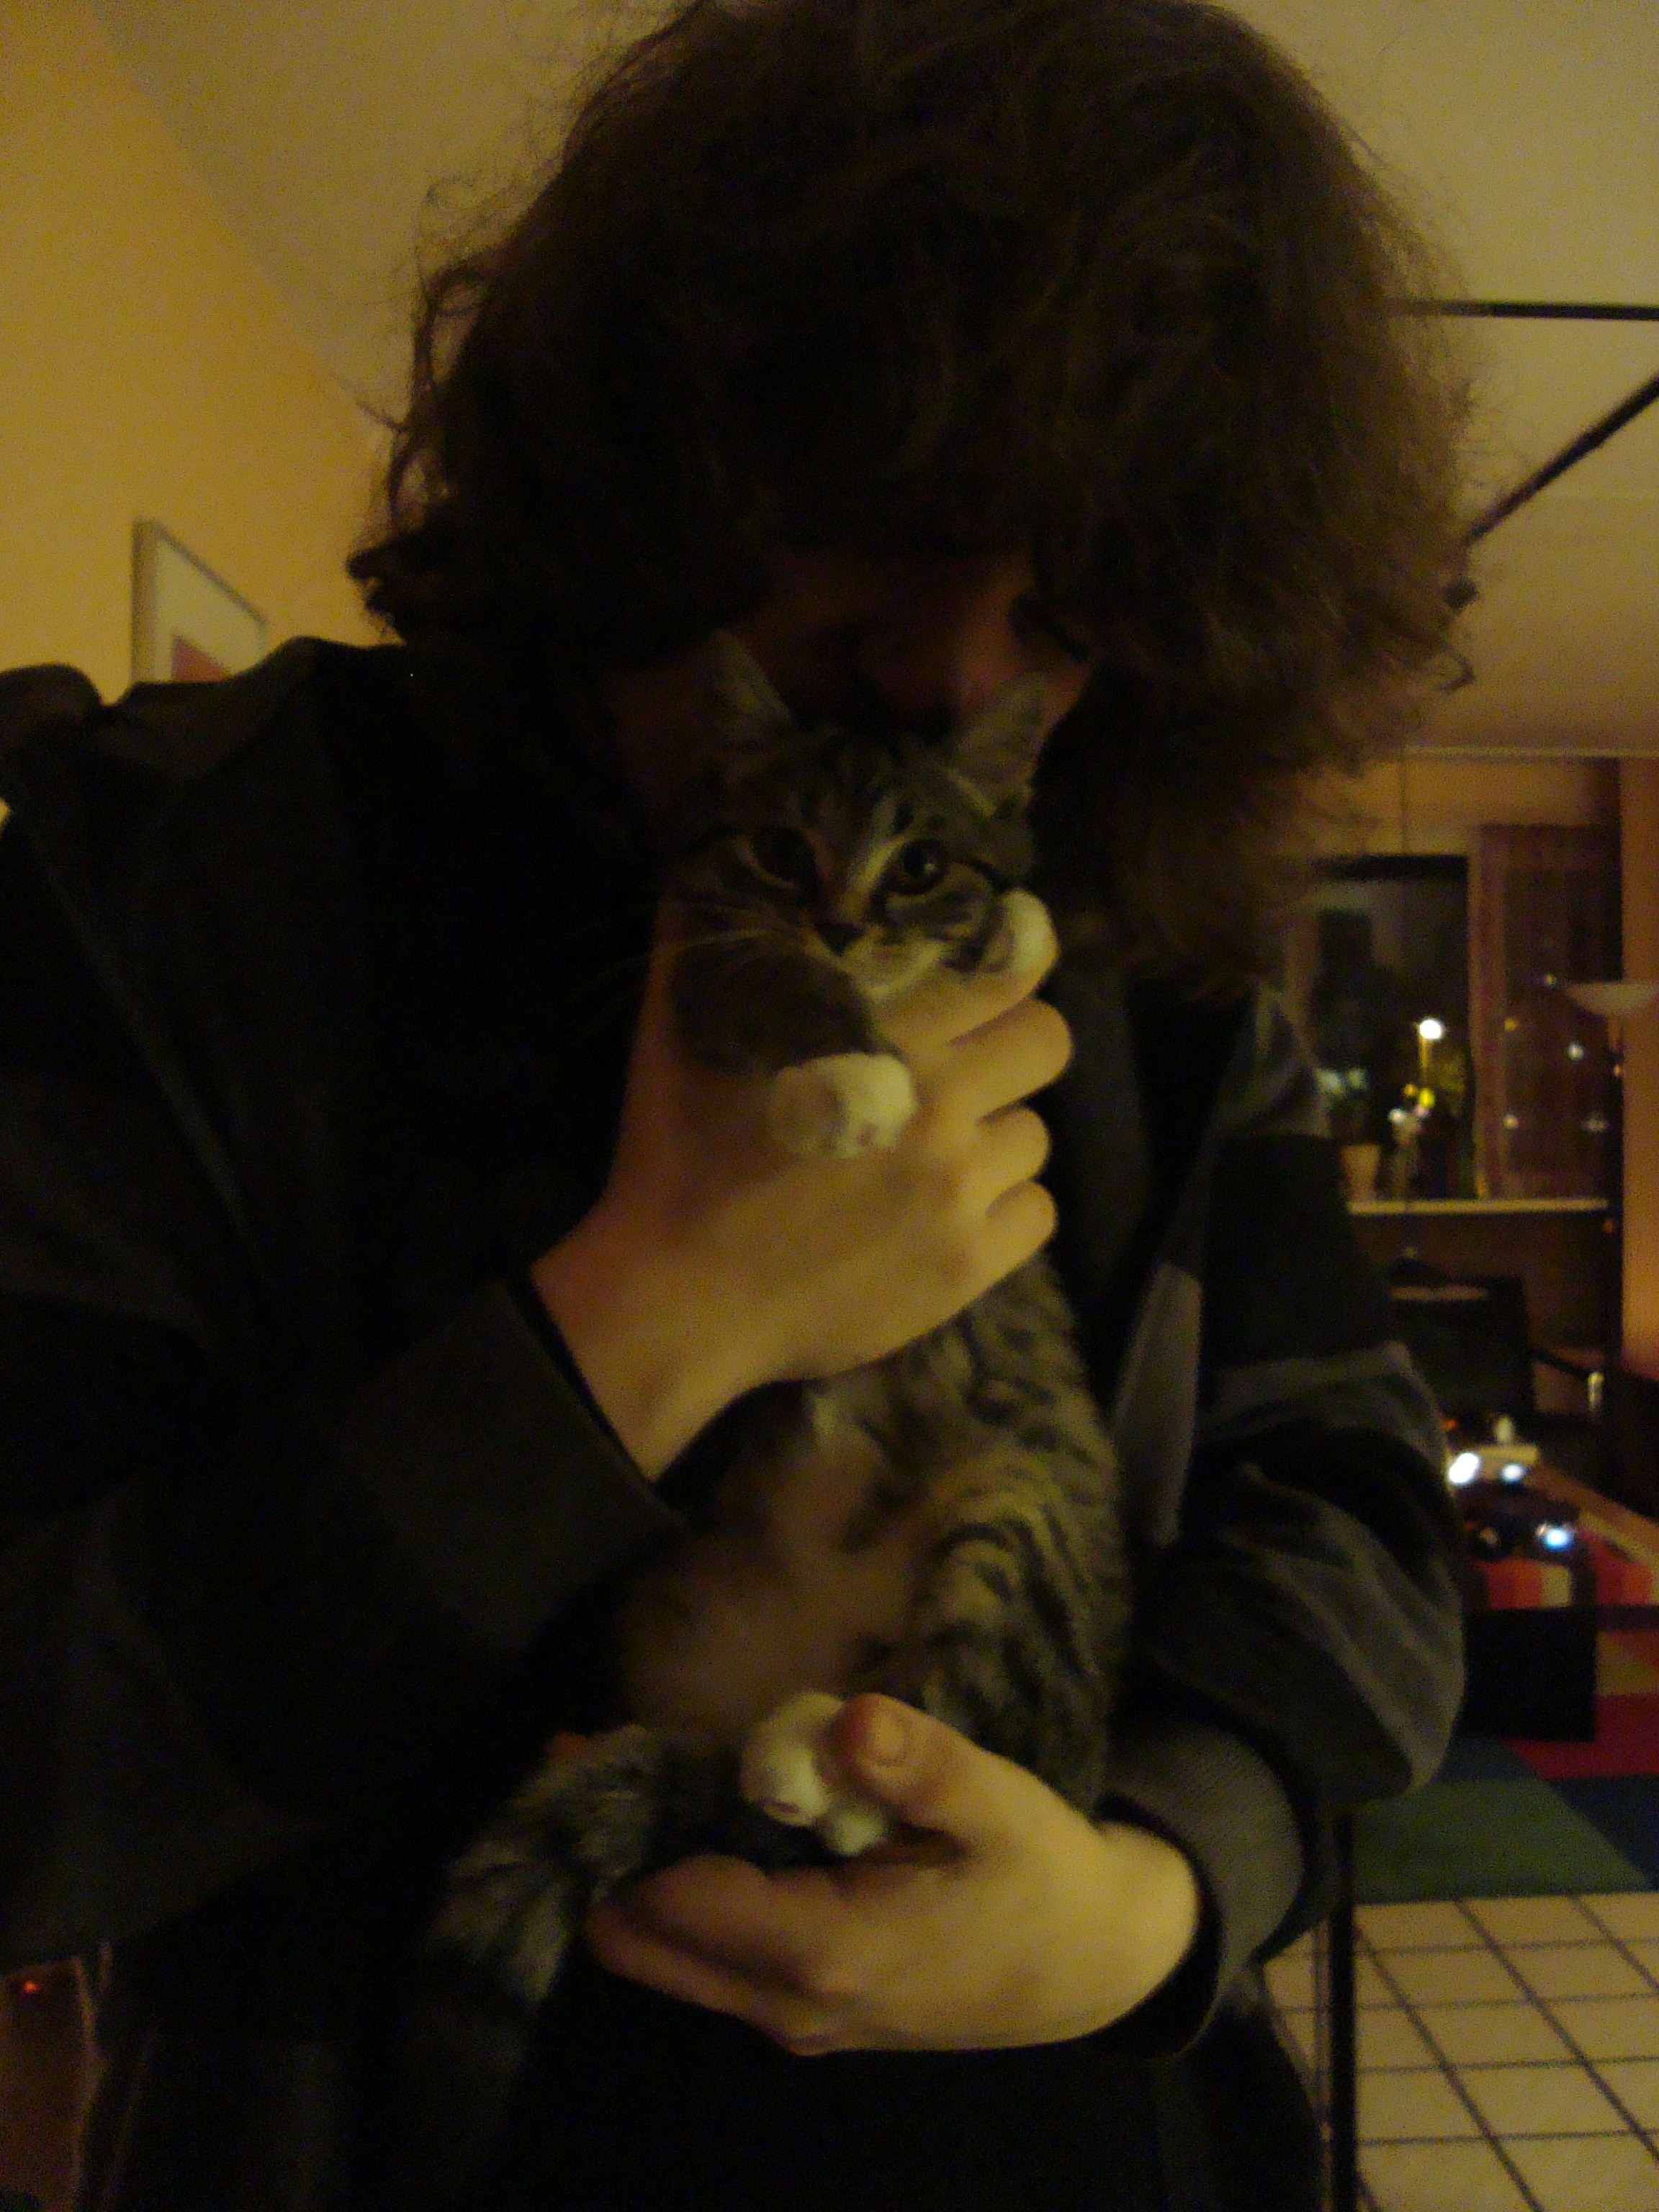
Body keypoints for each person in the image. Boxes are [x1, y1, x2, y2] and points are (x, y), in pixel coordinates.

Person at [0, 1, 1471, 2206]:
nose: (962, 672)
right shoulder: (189, 881)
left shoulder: (1147, 953)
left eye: (1079, 602)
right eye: (892, 519)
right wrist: (650, 1320)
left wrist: (1149, 1901)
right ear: (666, 446)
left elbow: (1357, 1523)